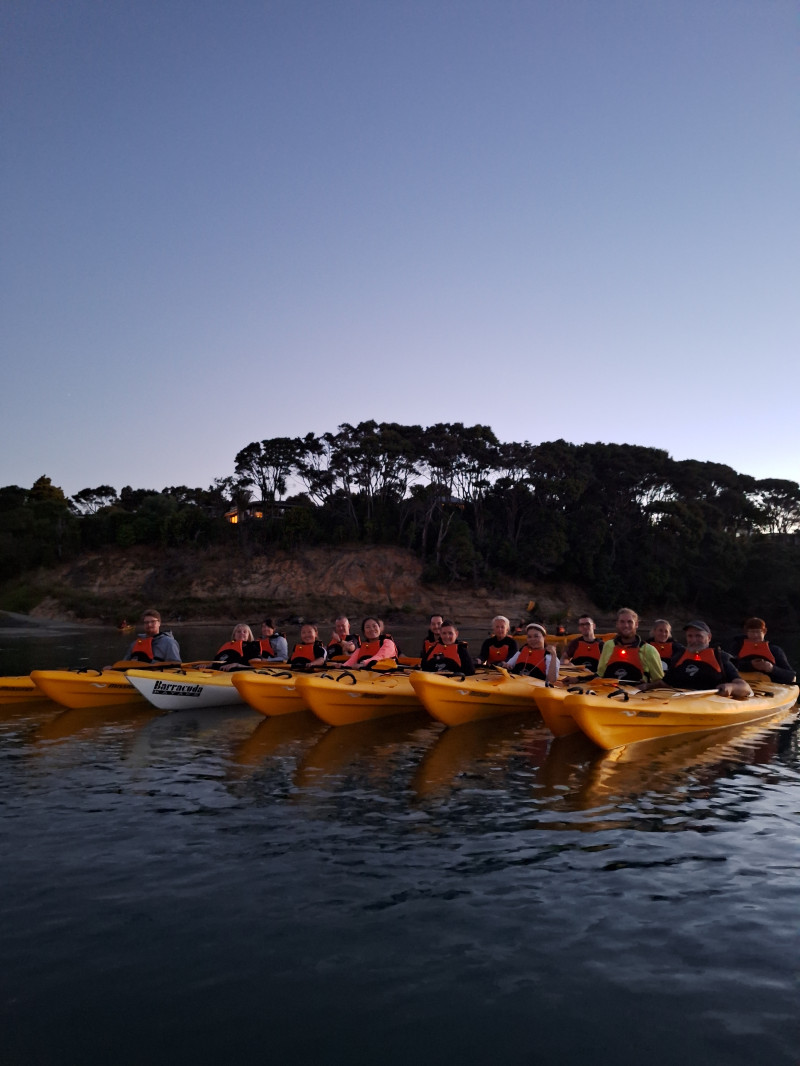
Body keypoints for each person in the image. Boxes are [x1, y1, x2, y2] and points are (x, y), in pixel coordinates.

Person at [641, 621, 752, 700]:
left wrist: (731, 687)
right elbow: (664, 683)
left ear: (708, 637)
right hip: (680, 701)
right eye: (690, 636)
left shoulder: (720, 658)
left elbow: (745, 688)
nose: (694, 640)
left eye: (698, 636)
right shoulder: (679, 657)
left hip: (711, 702)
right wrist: (645, 687)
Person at [595, 607, 664, 684]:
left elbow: (660, 681)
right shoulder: (608, 645)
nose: (626, 625)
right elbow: (600, 674)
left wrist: (647, 686)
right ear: (617, 624)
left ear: (636, 624)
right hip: (608, 693)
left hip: (637, 694)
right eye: (622, 622)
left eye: (630, 622)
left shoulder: (649, 650)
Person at [728, 617, 796, 683]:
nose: (755, 635)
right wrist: (751, 665)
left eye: (758, 632)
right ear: (746, 633)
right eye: (752, 632)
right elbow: (729, 666)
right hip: (743, 682)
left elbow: (790, 675)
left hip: (768, 685)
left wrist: (772, 668)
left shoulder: (775, 650)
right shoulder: (737, 647)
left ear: (764, 631)